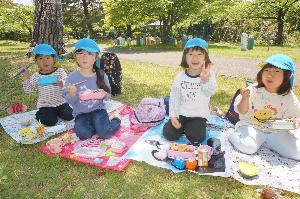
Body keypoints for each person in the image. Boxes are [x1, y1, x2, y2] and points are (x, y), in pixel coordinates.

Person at [228, 54, 300, 161]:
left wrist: (294, 122)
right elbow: (241, 111)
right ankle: (231, 134)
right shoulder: (254, 90)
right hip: (252, 127)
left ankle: (267, 142)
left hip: (276, 132)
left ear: (287, 76)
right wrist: (245, 98)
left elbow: (294, 118)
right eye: (266, 70)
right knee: (248, 148)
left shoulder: (289, 97)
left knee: (298, 153)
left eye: (276, 71)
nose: (270, 75)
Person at [163, 38, 217, 144]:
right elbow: (174, 97)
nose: (195, 58)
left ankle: (193, 127)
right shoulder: (180, 76)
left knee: (196, 137)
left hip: (198, 116)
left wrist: (205, 81)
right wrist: (173, 116)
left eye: (199, 54)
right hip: (181, 114)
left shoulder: (209, 74)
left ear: (205, 58)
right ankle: (182, 127)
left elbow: (210, 92)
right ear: (185, 57)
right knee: (169, 134)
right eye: (191, 54)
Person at [64, 38, 121, 140]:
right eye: (80, 53)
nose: (84, 57)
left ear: (95, 57)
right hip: (81, 113)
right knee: (83, 134)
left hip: (98, 110)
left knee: (105, 134)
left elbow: (108, 96)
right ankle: (97, 126)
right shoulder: (71, 78)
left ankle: (115, 120)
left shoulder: (101, 75)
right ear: (75, 56)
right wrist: (72, 94)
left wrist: (104, 94)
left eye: (89, 53)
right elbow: (69, 100)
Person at [21, 44, 74, 126]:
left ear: (54, 59)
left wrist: (61, 83)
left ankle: (57, 113)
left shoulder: (60, 71)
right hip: (45, 105)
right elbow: (28, 90)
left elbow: (67, 83)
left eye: (48, 58)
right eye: (41, 58)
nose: (45, 61)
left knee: (70, 116)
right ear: (36, 62)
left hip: (61, 103)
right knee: (50, 122)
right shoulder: (36, 76)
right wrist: (25, 77)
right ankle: (39, 114)